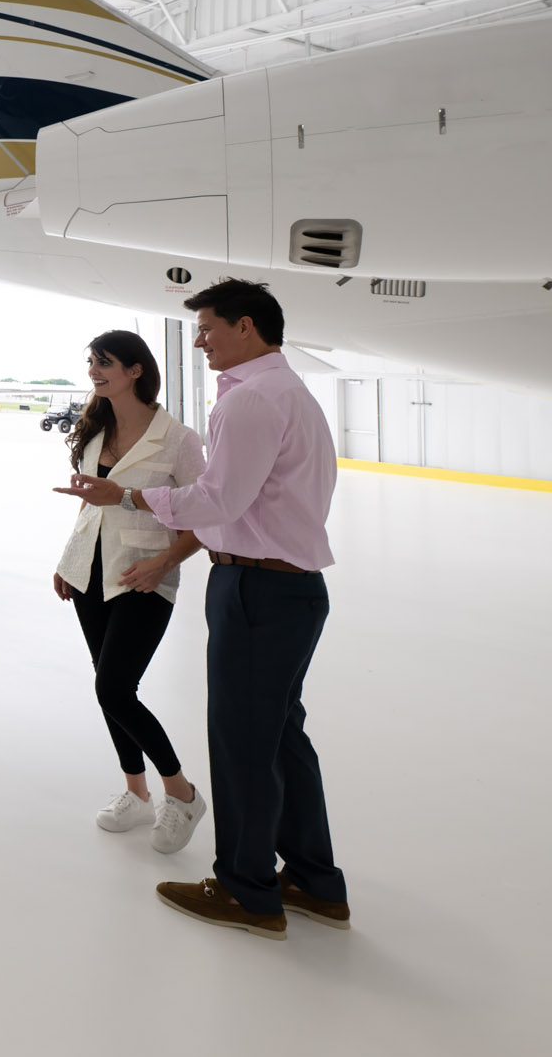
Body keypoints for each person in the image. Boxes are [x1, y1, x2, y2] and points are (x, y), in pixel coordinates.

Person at [58, 279, 347, 941]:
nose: (199, 342)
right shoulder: (290, 393)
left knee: (243, 743)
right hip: (289, 586)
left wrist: (129, 497)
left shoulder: (248, 401)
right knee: (281, 739)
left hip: (256, 586)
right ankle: (313, 880)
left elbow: (218, 500)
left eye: (208, 328)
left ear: (246, 326)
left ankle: (247, 891)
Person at [52, 331, 208, 854]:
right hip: (90, 571)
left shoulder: (179, 440)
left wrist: (164, 563)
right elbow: (90, 502)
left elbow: (204, 518)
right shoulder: (95, 430)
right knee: (109, 688)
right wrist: (69, 559)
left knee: (114, 688)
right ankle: (136, 794)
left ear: (136, 370)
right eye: (91, 362)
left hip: (145, 575)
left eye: (105, 362)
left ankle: (181, 793)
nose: (94, 371)